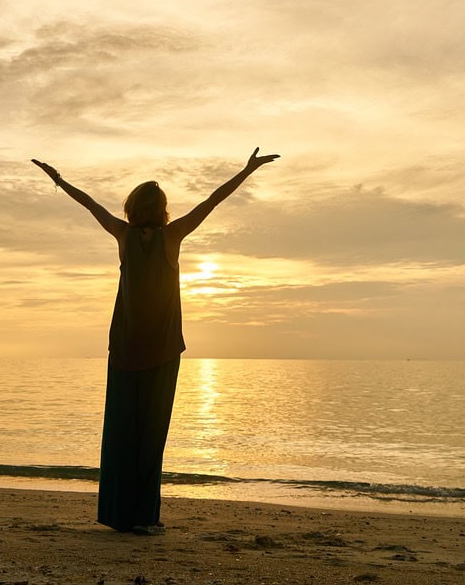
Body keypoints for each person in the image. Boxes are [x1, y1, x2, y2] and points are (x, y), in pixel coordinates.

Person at [31, 148, 279, 535]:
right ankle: (144, 517)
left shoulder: (124, 235)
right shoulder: (172, 235)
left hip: (125, 350)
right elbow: (212, 201)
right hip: (162, 352)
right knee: (150, 437)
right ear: (162, 209)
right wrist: (247, 171)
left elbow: (90, 204)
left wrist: (60, 181)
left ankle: (118, 515)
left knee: (120, 433)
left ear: (131, 208)